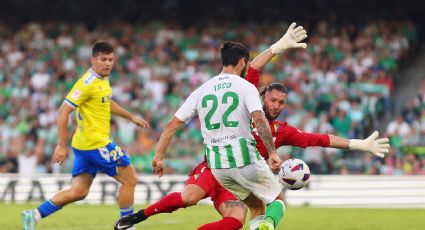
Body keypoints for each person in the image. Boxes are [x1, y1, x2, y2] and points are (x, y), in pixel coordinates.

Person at [115, 23, 390, 230]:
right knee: (191, 197)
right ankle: (137, 217)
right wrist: (279, 46)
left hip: (230, 171)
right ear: (262, 95)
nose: (276, 105)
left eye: (282, 102)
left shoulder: (281, 128)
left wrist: (358, 144)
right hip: (219, 165)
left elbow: (319, 139)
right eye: (272, 99)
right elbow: (253, 71)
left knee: (241, 217)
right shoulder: (247, 95)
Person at [22, 41, 149, 230]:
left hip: (84, 146)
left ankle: (34, 215)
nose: (108, 63)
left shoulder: (102, 80)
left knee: (79, 191)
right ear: (93, 60)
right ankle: (126, 225)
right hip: (96, 143)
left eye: (110, 59)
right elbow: (63, 111)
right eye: (103, 59)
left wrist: (130, 116)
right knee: (130, 179)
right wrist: (60, 144)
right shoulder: (86, 84)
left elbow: (106, 102)